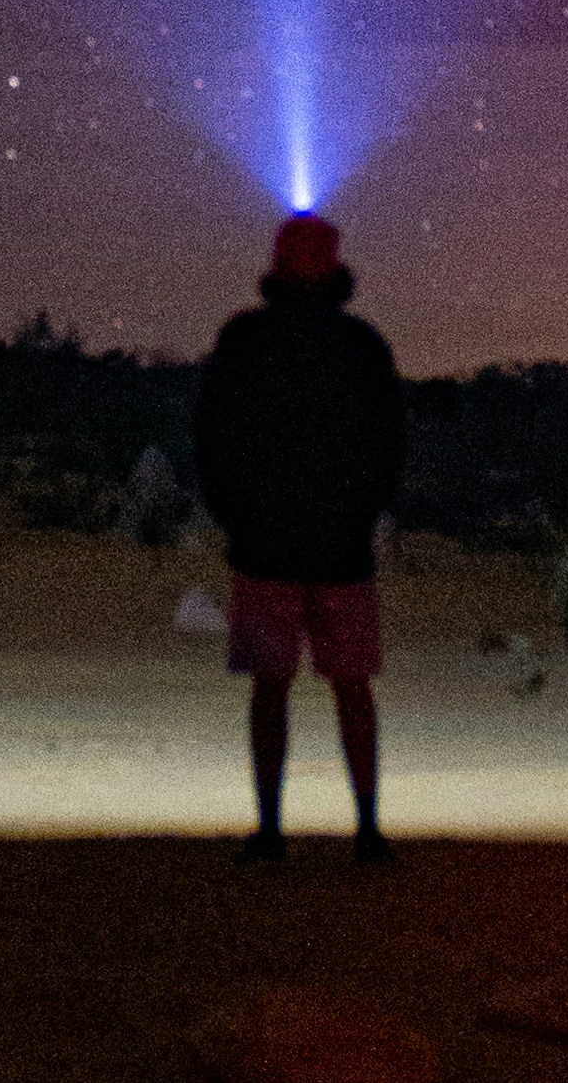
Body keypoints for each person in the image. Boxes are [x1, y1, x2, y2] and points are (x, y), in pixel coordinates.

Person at [193, 208, 407, 864]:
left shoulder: (249, 339)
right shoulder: (360, 344)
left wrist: (237, 512)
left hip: (276, 545)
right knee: (336, 686)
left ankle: (278, 830)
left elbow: (212, 433)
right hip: (325, 548)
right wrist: (362, 510)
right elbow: (390, 441)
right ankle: (360, 830)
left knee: (281, 686)